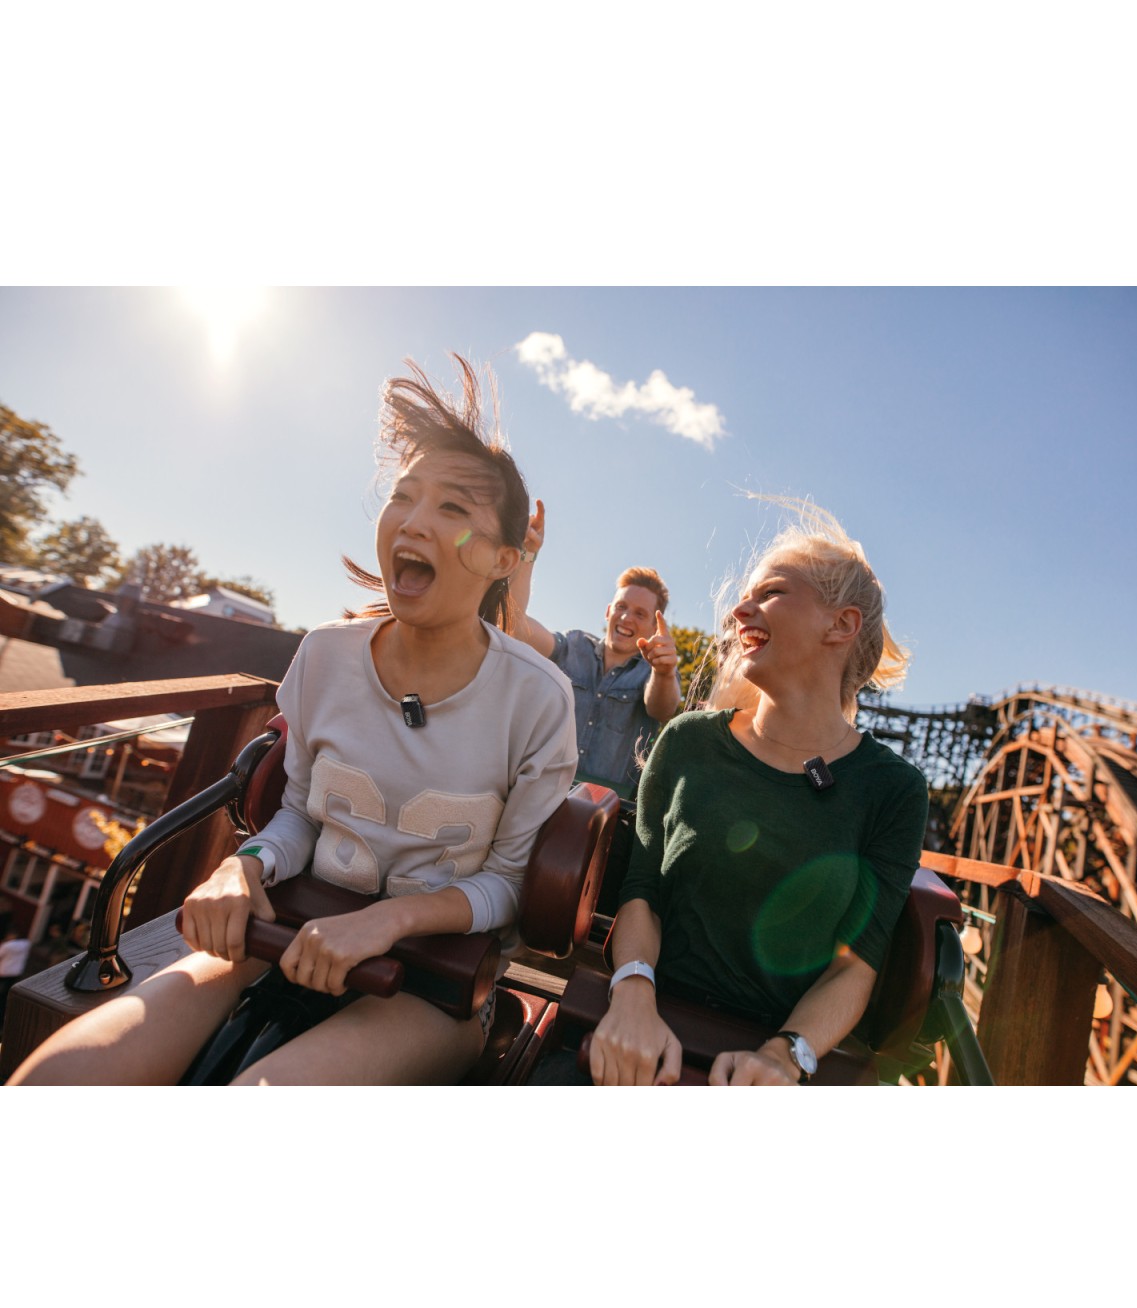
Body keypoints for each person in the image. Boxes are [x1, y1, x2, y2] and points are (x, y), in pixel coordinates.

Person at [10, 355, 577, 1087]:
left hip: (434, 983)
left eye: (453, 509)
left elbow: (507, 888)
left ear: (503, 558)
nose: (413, 521)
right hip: (288, 928)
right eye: (404, 496)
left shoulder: (538, 698)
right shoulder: (324, 655)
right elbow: (302, 817)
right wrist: (241, 866)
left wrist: (389, 920)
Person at [580, 496, 929, 1085]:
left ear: (841, 625)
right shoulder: (689, 741)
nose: (740, 609)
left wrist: (784, 1056)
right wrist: (633, 995)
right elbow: (643, 890)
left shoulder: (893, 790)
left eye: (771, 593)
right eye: (746, 595)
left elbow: (856, 964)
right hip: (644, 1025)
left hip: (771, 1062)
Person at [508, 500, 680, 795]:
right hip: (537, 792)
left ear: (654, 627)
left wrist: (664, 673)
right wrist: (527, 555)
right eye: (621, 607)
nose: (626, 618)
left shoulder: (654, 672)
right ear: (608, 611)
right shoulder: (573, 645)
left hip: (607, 810)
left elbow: (662, 709)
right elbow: (514, 626)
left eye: (640, 614)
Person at [0, 927, 32, 1019]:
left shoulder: (7, 946)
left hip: (4, 971)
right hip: (16, 972)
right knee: (7, 992)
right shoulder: (26, 944)